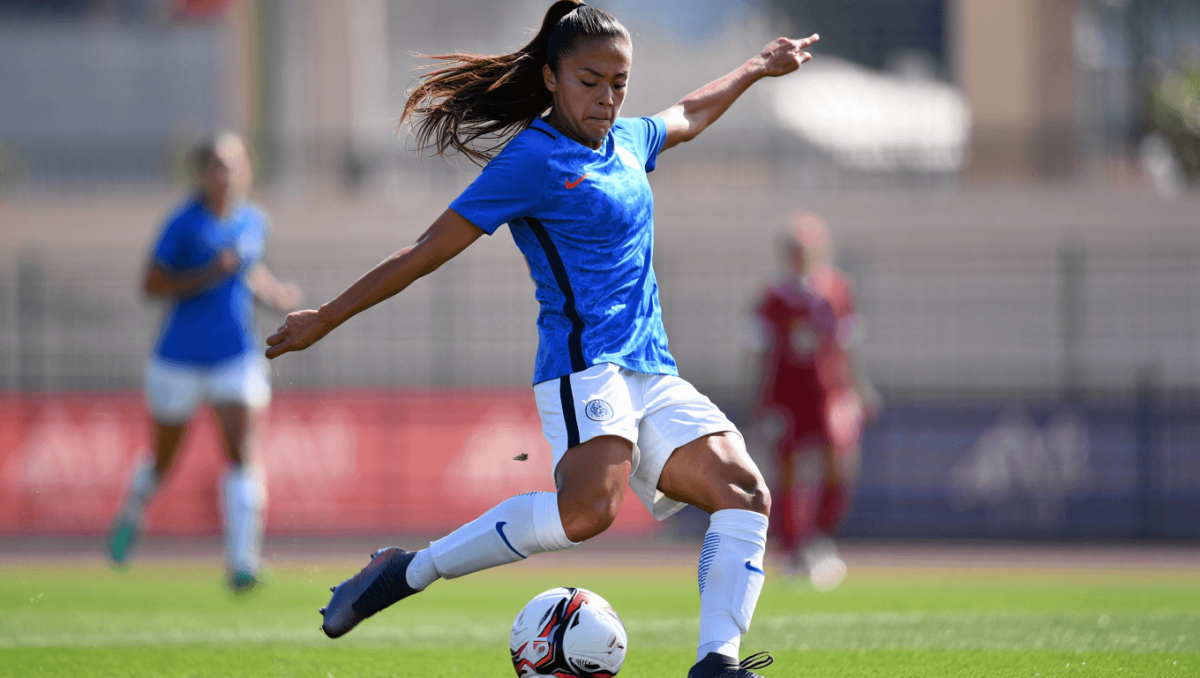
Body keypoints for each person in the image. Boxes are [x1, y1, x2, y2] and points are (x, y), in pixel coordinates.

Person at [266, 3, 818, 676]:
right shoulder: (531, 158)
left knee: (744, 492)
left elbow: (689, 114)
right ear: (553, 77)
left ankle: (716, 664)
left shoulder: (628, 142)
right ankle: (409, 569)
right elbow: (426, 249)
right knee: (588, 514)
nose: (608, 96)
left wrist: (760, 67)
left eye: (619, 82)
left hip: (652, 366)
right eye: (591, 80)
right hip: (585, 367)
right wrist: (325, 316)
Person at [106, 133, 301, 592]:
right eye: (215, 165)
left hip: (236, 354)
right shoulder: (183, 225)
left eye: (232, 164)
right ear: (201, 174)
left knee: (241, 452)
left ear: (246, 169)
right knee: (163, 461)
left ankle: (242, 561)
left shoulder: (254, 219)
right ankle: (133, 512)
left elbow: (246, 268)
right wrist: (209, 273)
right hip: (179, 360)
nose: (224, 174)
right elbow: (151, 283)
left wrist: (275, 295)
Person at [748, 211, 879, 591]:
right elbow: (759, 352)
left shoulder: (838, 290)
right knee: (785, 470)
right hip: (785, 395)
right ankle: (791, 549)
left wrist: (859, 389)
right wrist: (759, 401)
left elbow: (849, 344)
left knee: (840, 463)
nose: (799, 255)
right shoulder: (772, 297)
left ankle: (820, 538)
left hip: (830, 393)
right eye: (793, 249)